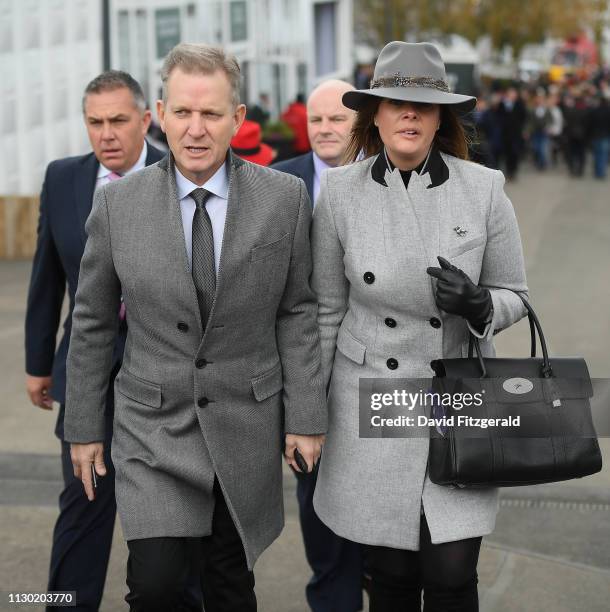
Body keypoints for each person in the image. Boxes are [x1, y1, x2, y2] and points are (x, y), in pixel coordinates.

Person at [63, 42, 326, 612]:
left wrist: (305, 416)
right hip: (152, 428)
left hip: (244, 421)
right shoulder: (119, 206)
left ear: (237, 119)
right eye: (182, 112)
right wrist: (83, 427)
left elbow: (298, 309)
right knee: (155, 585)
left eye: (210, 114)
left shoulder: (283, 198)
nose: (195, 128)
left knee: (228, 585)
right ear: (160, 114)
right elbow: (91, 320)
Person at [311, 41, 528, 611]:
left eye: (424, 106)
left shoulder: (483, 190)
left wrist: (481, 304)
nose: (409, 114)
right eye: (394, 102)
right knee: (391, 571)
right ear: (374, 114)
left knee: (453, 570)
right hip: (373, 397)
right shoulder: (339, 194)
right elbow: (326, 312)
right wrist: (307, 411)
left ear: (440, 118)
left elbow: (517, 297)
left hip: (454, 395)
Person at [24, 70, 164, 611]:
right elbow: (46, 278)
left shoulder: (181, 173)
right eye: (95, 123)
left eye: (118, 122)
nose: (106, 134)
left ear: (146, 121)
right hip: (83, 372)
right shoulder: (63, 178)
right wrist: (39, 363)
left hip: (162, 375)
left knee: (166, 518)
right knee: (82, 508)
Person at [273, 79, 364, 612]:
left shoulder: (384, 180)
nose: (325, 129)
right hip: (301, 375)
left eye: (338, 120)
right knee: (317, 506)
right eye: (317, 120)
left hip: (373, 369)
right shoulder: (279, 183)